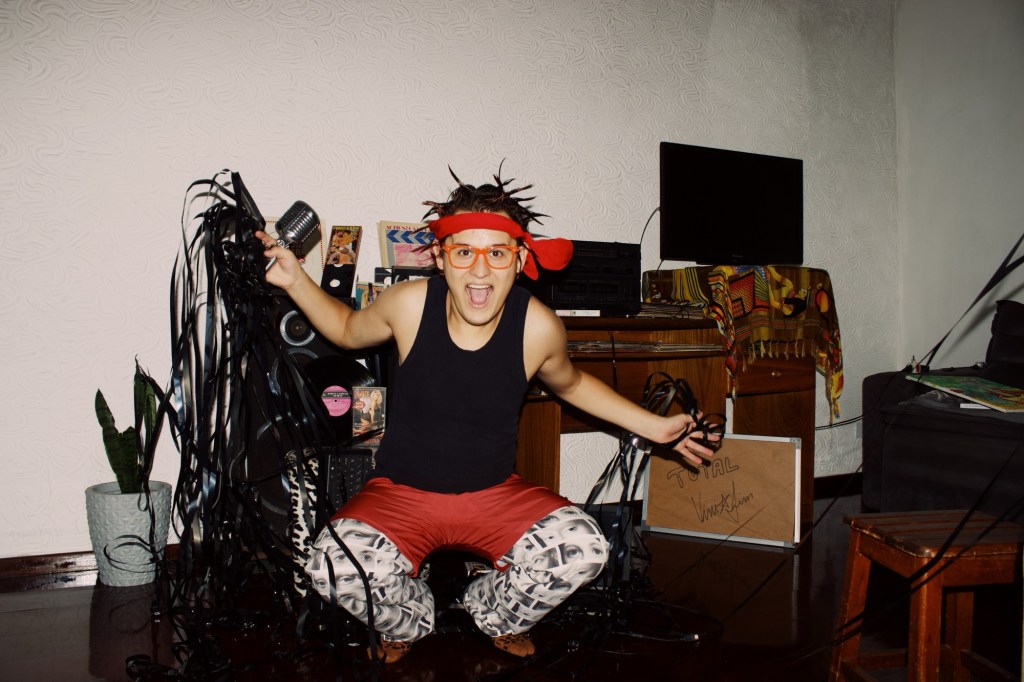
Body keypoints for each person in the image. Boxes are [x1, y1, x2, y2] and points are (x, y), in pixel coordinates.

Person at [256, 168, 720, 663]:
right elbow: (348, 329)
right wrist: (294, 279)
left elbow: (571, 384)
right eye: (464, 252)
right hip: (401, 494)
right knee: (330, 567)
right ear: (441, 258)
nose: (480, 270)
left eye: (496, 253)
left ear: (519, 259)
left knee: (585, 548)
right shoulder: (409, 305)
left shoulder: (538, 327)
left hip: (493, 495)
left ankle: (491, 611)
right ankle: (411, 618)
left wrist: (656, 427)